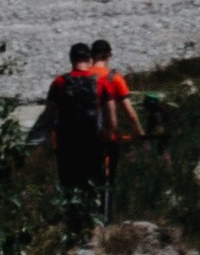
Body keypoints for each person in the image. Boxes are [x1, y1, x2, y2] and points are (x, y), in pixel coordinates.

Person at [28, 39, 110, 233]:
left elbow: (49, 115)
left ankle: (73, 227)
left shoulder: (59, 82)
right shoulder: (100, 81)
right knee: (94, 183)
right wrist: (108, 136)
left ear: (71, 59)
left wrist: (49, 139)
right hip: (93, 142)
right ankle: (95, 227)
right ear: (89, 59)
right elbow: (110, 116)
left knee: (70, 184)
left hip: (67, 144)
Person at [88, 36, 143, 221]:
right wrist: (138, 132)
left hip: (84, 136)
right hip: (107, 137)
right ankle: (105, 222)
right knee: (107, 181)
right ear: (108, 55)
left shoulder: (82, 77)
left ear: (91, 56)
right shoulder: (114, 78)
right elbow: (129, 111)